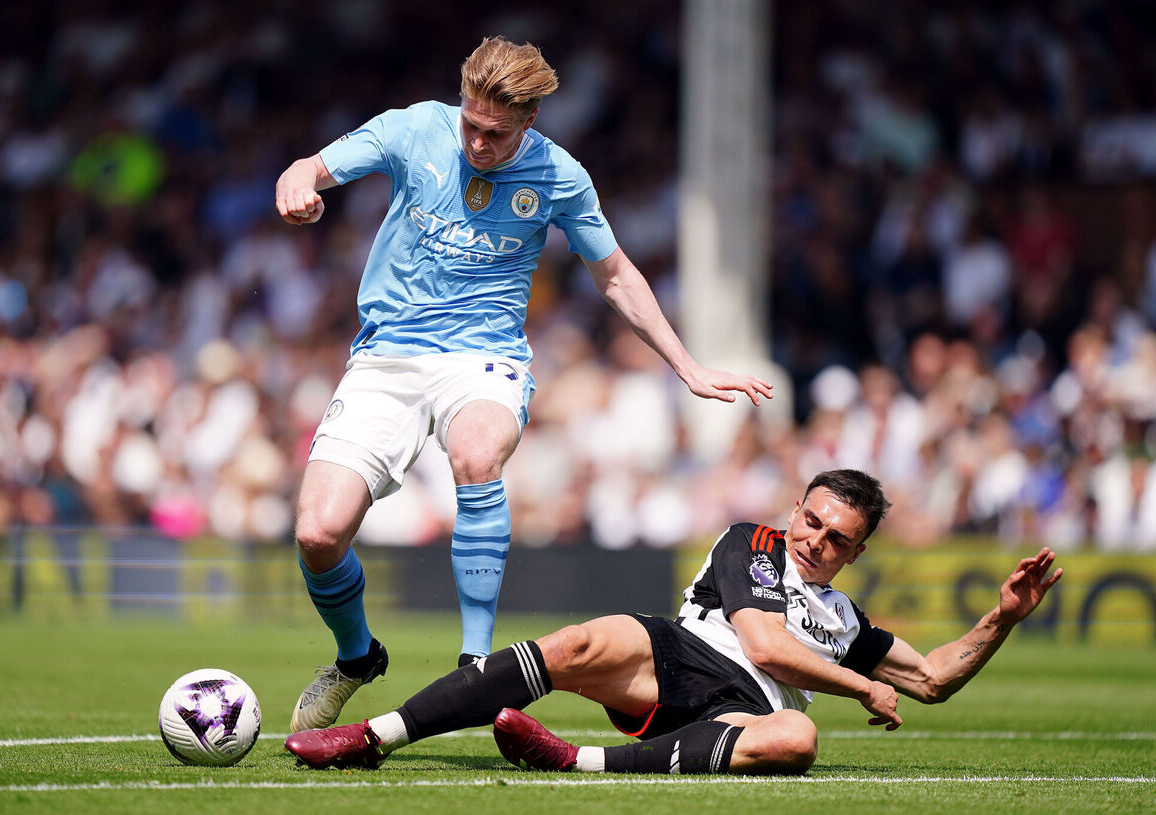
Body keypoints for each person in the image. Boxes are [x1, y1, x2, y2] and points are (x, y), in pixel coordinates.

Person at [274, 35, 773, 734]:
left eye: (495, 134)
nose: (476, 142)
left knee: (478, 451)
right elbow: (311, 167)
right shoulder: (412, 127)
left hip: (485, 357)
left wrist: (687, 366)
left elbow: (617, 275)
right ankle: (357, 658)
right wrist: (299, 184)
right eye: (471, 125)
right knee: (318, 532)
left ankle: (475, 663)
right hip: (387, 355)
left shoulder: (560, 177)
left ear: (529, 123)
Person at [284, 469, 1062, 775]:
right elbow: (762, 643)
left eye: (836, 538)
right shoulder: (754, 542)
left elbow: (933, 679)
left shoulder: (845, 618)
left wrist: (1001, 617)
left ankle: (573, 761)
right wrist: (859, 685)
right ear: (797, 508)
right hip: (678, 657)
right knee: (576, 641)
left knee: (796, 738)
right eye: (813, 520)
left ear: (856, 552)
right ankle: (373, 736)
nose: (815, 540)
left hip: (744, 712)